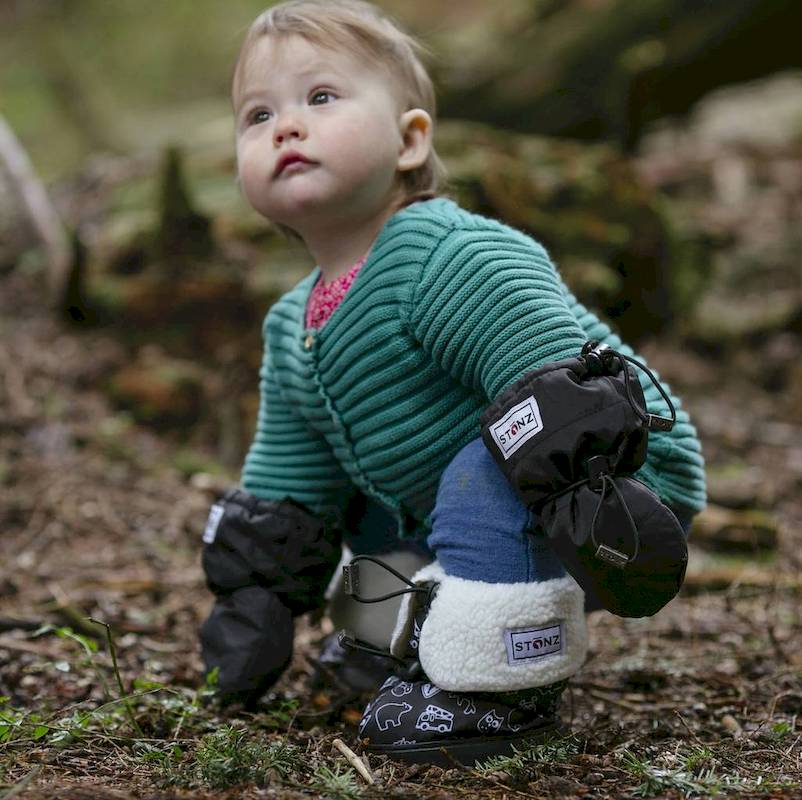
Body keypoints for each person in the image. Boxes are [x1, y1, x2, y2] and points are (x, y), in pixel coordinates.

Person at [198, 0, 706, 766]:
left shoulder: (444, 252)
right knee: (365, 506)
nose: (286, 126)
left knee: (483, 458)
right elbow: (289, 487)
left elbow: (549, 379)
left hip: (607, 476)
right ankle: (401, 644)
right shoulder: (290, 324)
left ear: (409, 141)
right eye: (257, 114)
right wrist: (254, 600)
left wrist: (585, 482)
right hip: (457, 498)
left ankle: (495, 681)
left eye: (322, 97)